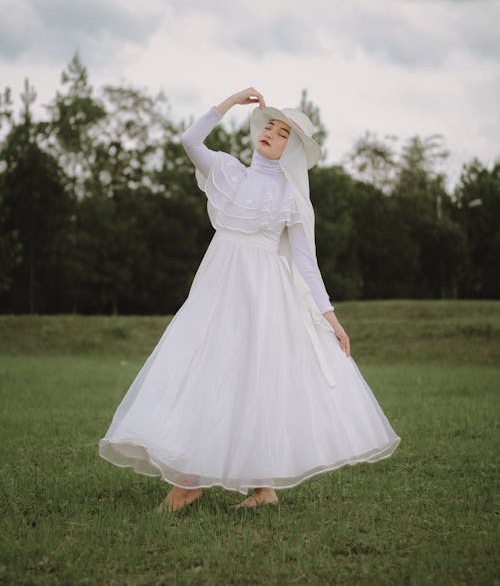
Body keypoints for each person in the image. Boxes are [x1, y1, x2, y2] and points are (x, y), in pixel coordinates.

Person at [98, 87, 400, 512]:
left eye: (282, 133)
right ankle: (189, 479)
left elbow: (306, 263)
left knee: (256, 378)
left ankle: (262, 488)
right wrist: (230, 101)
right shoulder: (229, 173)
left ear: (292, 149)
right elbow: (189, 140)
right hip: (218, 289)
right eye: (268, 127)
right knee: (205, 366)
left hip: (264, 297)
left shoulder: (292, 201)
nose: (270, 135)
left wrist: (331, 318)